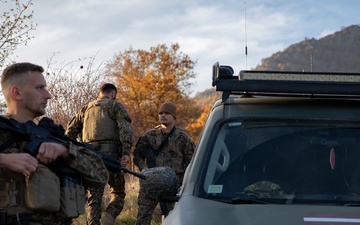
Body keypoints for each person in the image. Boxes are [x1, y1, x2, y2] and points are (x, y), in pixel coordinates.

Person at [0, 62, 109, 225]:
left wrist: (65, 151)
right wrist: (3, 160)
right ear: (17, 92)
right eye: (39, 88)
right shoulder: (2, 129)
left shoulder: (52, 136)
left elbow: (101, 177)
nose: (48, 95)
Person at [66, 83, 134, 225]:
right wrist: (126, 152)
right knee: (118, 192)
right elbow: (125, 129)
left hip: (89, 158)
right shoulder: (115, 106)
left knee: (94, 197)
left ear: (100, 93)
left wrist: (73, 154)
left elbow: (70, 132)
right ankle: (107, 221)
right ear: (113, 94)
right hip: (111, 158)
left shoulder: (85, 109)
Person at [133, 102, 195, 225]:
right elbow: (137, 154)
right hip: (151, 182)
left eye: (167, 113)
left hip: (174, 184)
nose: (163, 115)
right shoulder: (149, 136)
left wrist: (185, 184)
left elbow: (190, 162)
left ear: (174, 116)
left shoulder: (183, 138)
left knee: (171, 218)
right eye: (161, 113)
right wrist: (144, 168)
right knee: (142, 217)